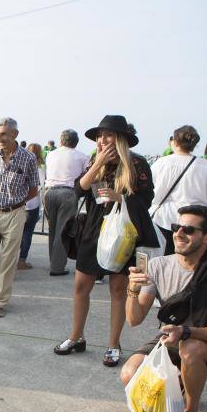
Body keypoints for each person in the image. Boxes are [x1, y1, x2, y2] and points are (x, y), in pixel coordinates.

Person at [122, 205, 207, 412]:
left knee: (190, 349)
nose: (178, 233)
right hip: (169, 338)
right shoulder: (158, 266)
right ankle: (182, 384)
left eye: (188, 230)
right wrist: (133, 290)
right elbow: (134, 319)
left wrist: (187, 331)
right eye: (177, 227)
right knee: (129, 374)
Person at [54, 115, 158, 366]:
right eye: (99, 136)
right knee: (81, 286)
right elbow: (78, 191)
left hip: (123, 233)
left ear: (120, 138)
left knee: (117, 290)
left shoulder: (137, 163)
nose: (102, 140)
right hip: (93, 230)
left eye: (108, 135)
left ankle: (114, 344)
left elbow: (146, 200)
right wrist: (97, 162)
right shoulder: (94, 160)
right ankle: (76, 337)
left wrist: (121, 198)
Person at [0, 117, 39, 318]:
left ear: (14, 134)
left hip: (15, 213)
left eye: (3, 134)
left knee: (8, 259)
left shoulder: (28, 159)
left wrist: (18, 202)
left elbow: (34, 189)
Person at [150, 125, 207, 255]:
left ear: (175, 141)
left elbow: (150, 193)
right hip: (193, 225)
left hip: (161, 221)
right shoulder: (205, 167)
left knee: (160, 264)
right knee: (189, 266)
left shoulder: (160, 163)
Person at [43, 129, 89, 276]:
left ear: (61, 141)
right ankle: (57, 267)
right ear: (76, 142)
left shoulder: (50, 154)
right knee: (62, 232)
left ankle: (54, 262)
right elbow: (85, 177)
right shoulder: (82, 157)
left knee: (53, 229)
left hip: (49, 192)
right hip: (68, 193)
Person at [18, 143, 45, 270]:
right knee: (27, 233)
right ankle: (21, 260)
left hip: (19, 203)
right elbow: (39, 187)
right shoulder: (39, 169)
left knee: (17, 234)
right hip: (32, 204)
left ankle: (12, 259)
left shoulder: (21, 165)